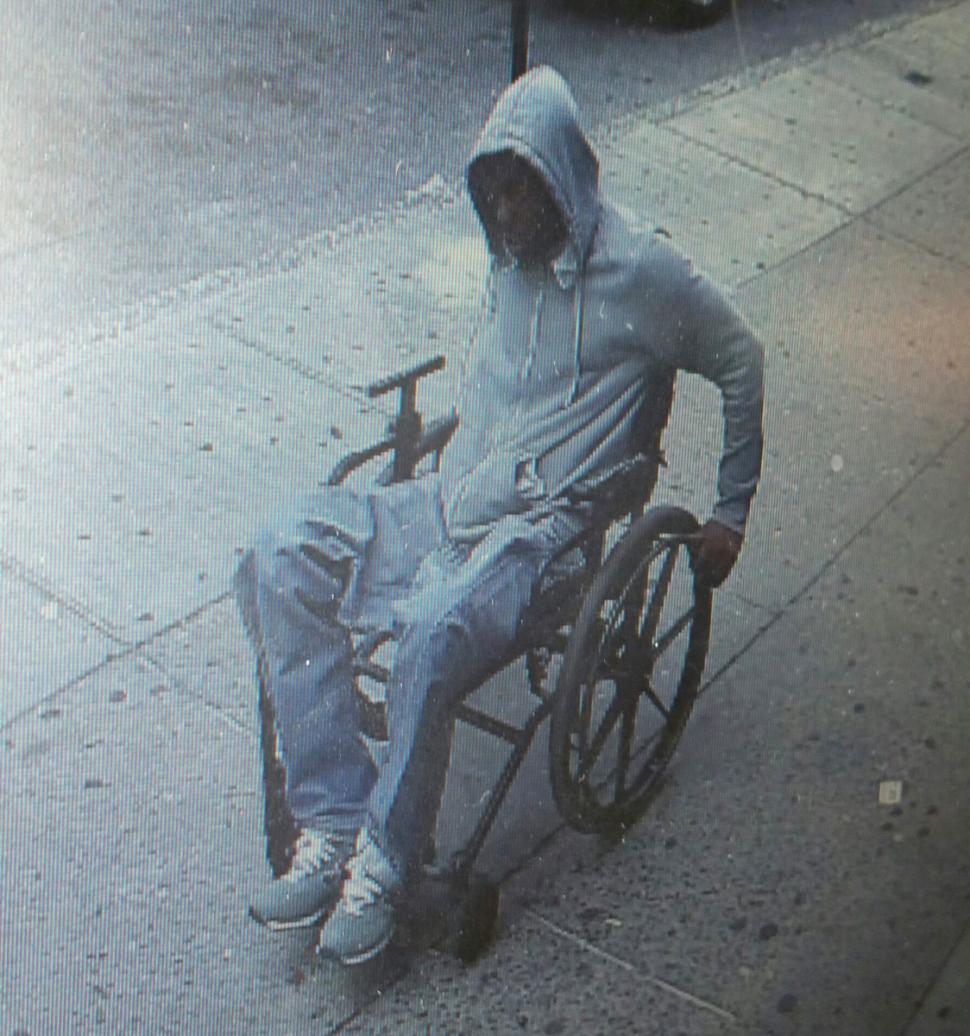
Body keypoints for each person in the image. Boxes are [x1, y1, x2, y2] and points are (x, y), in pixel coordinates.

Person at [234, 66, 764, 966]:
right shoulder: (508, 254)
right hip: (452, 500)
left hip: (543, 536)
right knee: (280, 551)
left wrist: (730, 509)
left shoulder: (642, 271)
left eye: (522, 190)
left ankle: (386, 862)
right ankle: (332, 820)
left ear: (562, 182)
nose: (505, 213)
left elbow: (742, 359)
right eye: (492, 193)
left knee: (432, 630)